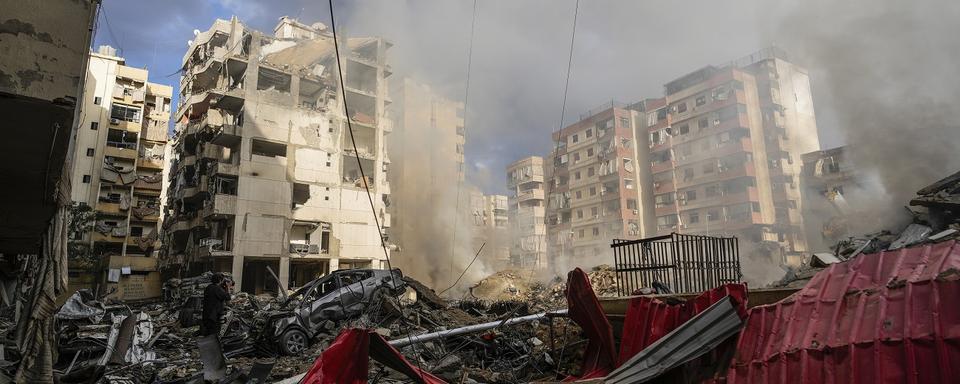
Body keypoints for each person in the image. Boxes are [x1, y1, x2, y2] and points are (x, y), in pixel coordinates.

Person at [199, 272, 232, 337]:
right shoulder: (218, 289)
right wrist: (228, 287)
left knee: (207, 334)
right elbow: (228, 301)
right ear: (220, 280)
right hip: (213, 317)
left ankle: (206, 345)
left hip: (206, 315)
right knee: (213, 335)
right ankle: (211, 346)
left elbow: (214, 299)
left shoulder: (208, 287)